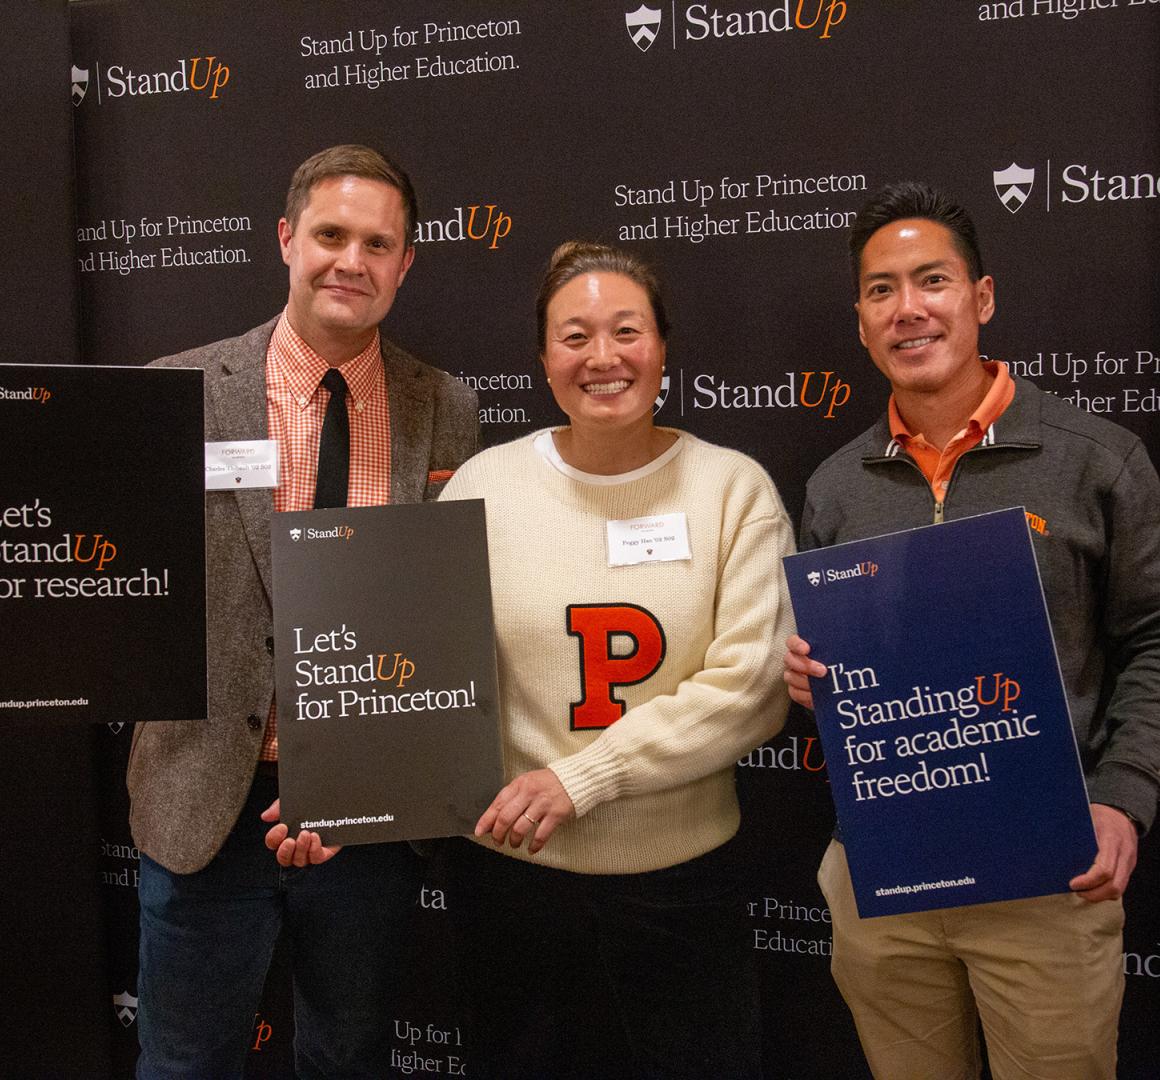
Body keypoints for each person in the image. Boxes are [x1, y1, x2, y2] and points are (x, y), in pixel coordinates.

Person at [783, 181, 1160, 1080]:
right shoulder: (836, 488)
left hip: (1047, 875)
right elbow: (837, 672)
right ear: (862, 320)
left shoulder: (1094, 460)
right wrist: (806, 677)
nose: (907, 309)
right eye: (881, 290)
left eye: (932, 281)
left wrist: (1122, 797)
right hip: (887, 878)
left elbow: (1152, 639)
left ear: (980, 299)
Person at [128, 144, 478, 1079]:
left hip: (372, 810)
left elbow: (445, 615)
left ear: (407, 264)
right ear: (286, 239)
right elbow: (128, 589)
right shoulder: (178, 389)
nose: (350, 262)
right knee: (183, 1064)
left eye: (378, 243)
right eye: (330, 234)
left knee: (348, 1057)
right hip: (206, 801)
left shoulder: (445, 406)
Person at [436, 241, 795, 1079]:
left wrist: (583, 777)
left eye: (627, 330)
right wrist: (347, 788)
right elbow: (421, 667)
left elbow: (750, 687)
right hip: (510, 883)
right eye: (574, 336)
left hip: (681, 886)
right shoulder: (484, 484)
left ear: (663, 346)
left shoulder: (732, 489)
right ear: (542, 358)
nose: (603, 357)